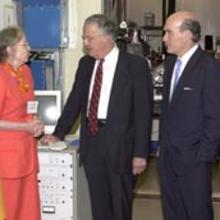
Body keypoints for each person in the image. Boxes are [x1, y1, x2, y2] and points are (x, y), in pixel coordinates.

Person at [43, 14, 153, 220]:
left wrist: (141, 153)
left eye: (89, 38)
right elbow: (74, 103)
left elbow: (143, 112)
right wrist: (58, 133)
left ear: (107, 38)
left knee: (120, 206)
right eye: (84, 38)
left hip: (121, 147)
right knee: (99, 206)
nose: (85, 43)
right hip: (92, 145)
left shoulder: (135, 66)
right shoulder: (85, 64)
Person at [159, 11, 220, 220]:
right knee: (172, 212)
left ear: (187, 34)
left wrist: (203, 157)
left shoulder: (209, 67)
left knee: (197, 213)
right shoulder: (170, 65)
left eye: (168, 32)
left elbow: (215, 117)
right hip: (168, 159)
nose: (164, 38)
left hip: (194, 162)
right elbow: (169, 111)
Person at [0, 26, 44, 220]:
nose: (29, 47)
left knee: (29, 208)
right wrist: (22, 127)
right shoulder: (1, 76)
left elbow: (30, 107)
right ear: (9, 50)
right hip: (7, 158)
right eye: (24, 44)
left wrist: (36, 123)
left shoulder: (26, 72)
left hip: (27, 152)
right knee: (11, 210)